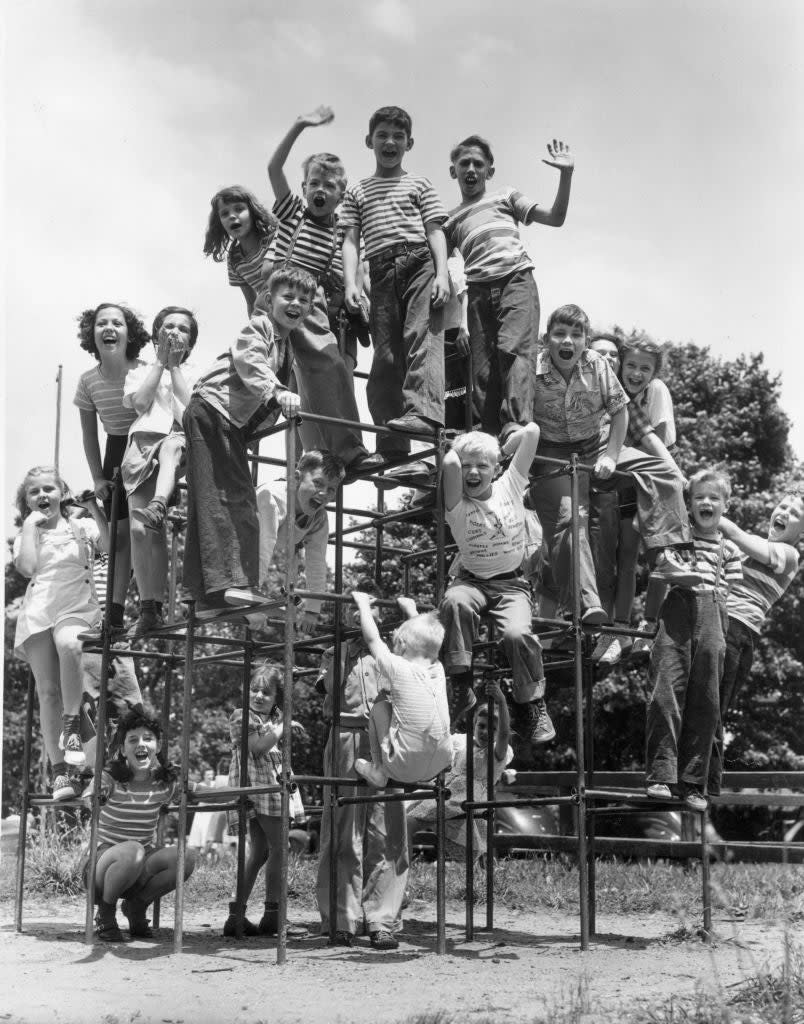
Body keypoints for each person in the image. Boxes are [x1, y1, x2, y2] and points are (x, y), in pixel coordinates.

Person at [527, 304, 701, 625]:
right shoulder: (535, 369)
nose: (568, 342)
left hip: (603, 465)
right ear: (548, 340)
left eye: (576, 336)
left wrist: (611, 455)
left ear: (585, 341)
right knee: (574, 530)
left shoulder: (606, 373)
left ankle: (665, 555)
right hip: (561, 461)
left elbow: (636, 427)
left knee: (660, 481)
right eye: (560, 334)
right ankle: (583, 611)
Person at [182, 267, 313, 615]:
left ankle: (204, 596)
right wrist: (277, 392)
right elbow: (250, 359)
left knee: (210, 500)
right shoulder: (260, 327)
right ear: (270, 301)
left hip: (221, 418)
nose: (296, 304)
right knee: (235, 499)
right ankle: (237, 584)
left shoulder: (286, 344)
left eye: (304, 299)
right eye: (288, 297)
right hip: (215, 410)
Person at [266, 105, 377, 475]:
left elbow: (349, 278)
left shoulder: (340, 236)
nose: (320, 190)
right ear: (303, 189)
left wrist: (356, 295)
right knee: (264, 372)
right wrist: (299, 125)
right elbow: (273, 168)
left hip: (310, 306)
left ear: (341, 194)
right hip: (281, 298)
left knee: (329, 367)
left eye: (329, 186)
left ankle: (344, 453)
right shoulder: (291, 213)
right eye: (314, 183)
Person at [341, 105, 449, 484]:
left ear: (409, 143)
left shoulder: (419, 184)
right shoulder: (357, 189)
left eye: (398, 137)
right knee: (385, 357)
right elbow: (351, 241)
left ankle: (423, 414)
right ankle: (392, 448)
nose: (390, 142)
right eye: (383, 135)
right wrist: (352, 283)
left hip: (418, 261)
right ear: (369, 141)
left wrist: (442, 273)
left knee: (421, 337)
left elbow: (435, 229)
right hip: (382, 269)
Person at [444, 135, 574, 439]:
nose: (471, 169)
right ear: (454, 172)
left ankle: (515, 422)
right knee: (483, 368)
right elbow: (444, 266)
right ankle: (488, 435)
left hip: (514, 279)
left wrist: (566, 175)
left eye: (479, 163)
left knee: (513, 350)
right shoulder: (451, 219)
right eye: (465, 164)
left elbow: (555, 218)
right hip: (477, 291)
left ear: (490, 170)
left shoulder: (505, 196)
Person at [439, 424, 554, 745]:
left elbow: (532, 431)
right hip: (472, 582)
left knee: (518, 635)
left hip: (511, 585)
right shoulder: (457, 503)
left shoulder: (511, 485)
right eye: (467, 466)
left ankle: (533, 702)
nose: (472, 472)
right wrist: (461, 450)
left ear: (496, 469)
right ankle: (462, 685)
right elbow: (448, 463)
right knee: (454, 601)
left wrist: (499, 452)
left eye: (482, 466)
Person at [315, 580, 412, 951]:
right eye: (354, 607)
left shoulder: (390, 653)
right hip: (345, 736)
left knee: (387, 829)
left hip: (386, 740)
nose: (361, 614)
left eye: (369, 608)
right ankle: (342, 917)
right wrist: (345, 646)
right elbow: (329, 690)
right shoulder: (334, 653)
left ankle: (381, 917)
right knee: (342, 829)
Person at [645, 469, 743, 812]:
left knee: (706, 702)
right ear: (688, 504)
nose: (706, 502)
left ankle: (692, 782)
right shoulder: (678, 537)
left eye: (714, 498)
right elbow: (659, 567)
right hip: (677, 615)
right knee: (666, 691)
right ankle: (661, 774)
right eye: (699, 497)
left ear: (725, 506)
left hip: (714, 618)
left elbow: (730, 595)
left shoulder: (729, 550)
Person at [13, 466, 109, 798]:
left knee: (70, 645)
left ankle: (72, 728)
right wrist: (28, 526)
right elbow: (27, 568)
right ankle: (60, 773)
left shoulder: (81, 526)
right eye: (34, 492)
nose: (42, 496)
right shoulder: (30, 532)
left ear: (61, 492)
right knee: (47, 693)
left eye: (48, 489)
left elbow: (110, 546)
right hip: (39, 612)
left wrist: (94, 508)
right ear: (26, 500)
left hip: (76, 607)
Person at [588, 332, 681, 666]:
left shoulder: (649, 393)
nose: (636, 373)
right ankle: (607, 630)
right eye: (631, 365)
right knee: (603, 558)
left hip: (637, 477)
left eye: (645, 368)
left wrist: (672, 471)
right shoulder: (606, 391)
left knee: (628, 556)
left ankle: (625, 627)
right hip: (609, 481)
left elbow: (656, 440)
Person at [708, 490, 803, 795]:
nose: (785, 512)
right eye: (783, 505)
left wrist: (708, 508)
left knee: (712, 708)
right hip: (715, 619)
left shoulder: (789, 556)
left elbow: (733, 531)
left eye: (796, 513)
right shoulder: (747, 549)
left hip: (737, 629)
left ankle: (706, 784)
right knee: (697, 701)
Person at [82, 709, 201, 942]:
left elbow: (199, 791)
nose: (141, 744)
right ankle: (105, 913)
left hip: (139, 864)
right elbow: (91, 794)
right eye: (133, 740)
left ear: (157, 746)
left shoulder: (164, 782)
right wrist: (94, 797)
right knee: (134, 850)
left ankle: (136, 906)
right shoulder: (110, 777)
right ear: (123, 749)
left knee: (185, 857)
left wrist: (236, 797)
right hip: (101, 864)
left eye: (148, 738)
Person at [121, 307, 199, 636]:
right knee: (142, 532)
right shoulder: (140, 371)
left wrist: (176, 366)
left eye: (183, 329)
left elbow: (194, 408)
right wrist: (160, 363)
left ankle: (160, 502)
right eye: (168, 327)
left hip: (177, 440)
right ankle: (148, 608)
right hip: (142, 444)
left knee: (171, 449)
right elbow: (140, 403)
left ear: (190, 341)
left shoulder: (196, 372)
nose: (174, 332)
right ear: (156, 335)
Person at [74, 303, 150, 632]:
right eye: (101, 323)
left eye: (116, 323)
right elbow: (90, 435)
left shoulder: (144, 370)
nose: (109, 327)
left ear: (127, 333)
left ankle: (150, 604)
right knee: (119, 538)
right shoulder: (88, 381)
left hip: (147, 444)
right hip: (116, 449)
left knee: (141, 529)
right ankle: (114, 615)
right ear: (92, 335)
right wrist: (98, 476)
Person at [223, 660, 307, 938]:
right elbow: (258, 748)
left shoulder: (270, 720)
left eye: (266, 693)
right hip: (259, 789)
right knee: (281, 848)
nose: (259, 696)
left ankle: (237, 916)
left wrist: (280, 722)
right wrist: (283, 725)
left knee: (260, 852)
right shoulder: (241, 716)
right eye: (254, 690)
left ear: (275, 699)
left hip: (271, 786)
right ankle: (274, 915)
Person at [351, 590, 452, 788]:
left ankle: (378, 769)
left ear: (403, 645)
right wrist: (411, 609)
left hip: (405, 764)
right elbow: (427, 638)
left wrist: (363, 605)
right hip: (441, 761)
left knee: (380, 707)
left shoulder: (399, 667)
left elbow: (373, 640)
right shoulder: (437, 668)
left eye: (395, 645)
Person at [407, 680, 514, 860]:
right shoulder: (461, 742)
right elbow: (440, 740)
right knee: (402, 815)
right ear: (473, 724)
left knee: (407, 823)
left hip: (465, 797)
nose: (485, 732)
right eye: (481, 726)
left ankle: (400, 876)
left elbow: (504, 734)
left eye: (492, 728)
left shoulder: (497, 752)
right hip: (446, 790)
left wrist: (502, 701)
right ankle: (400, 873)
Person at [254, 449, 345, 635]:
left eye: (331, 489)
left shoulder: (319, 517)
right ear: (296, 478)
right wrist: (253, 596)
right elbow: (264, 545)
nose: (323, 493)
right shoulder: (273, 496)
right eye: (318, 483)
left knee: (282, 605)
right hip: (237, 547)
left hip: (260, 556)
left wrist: (313, 609)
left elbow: (317, 562)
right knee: (254, 614)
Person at [203, 185, 276, 316]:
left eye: (239, 209)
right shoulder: (234, 260)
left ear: (252, 212)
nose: (232, 216)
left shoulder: (273, 238)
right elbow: (251, 302)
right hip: (271, 317)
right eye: (225, 213)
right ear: (220, 223)